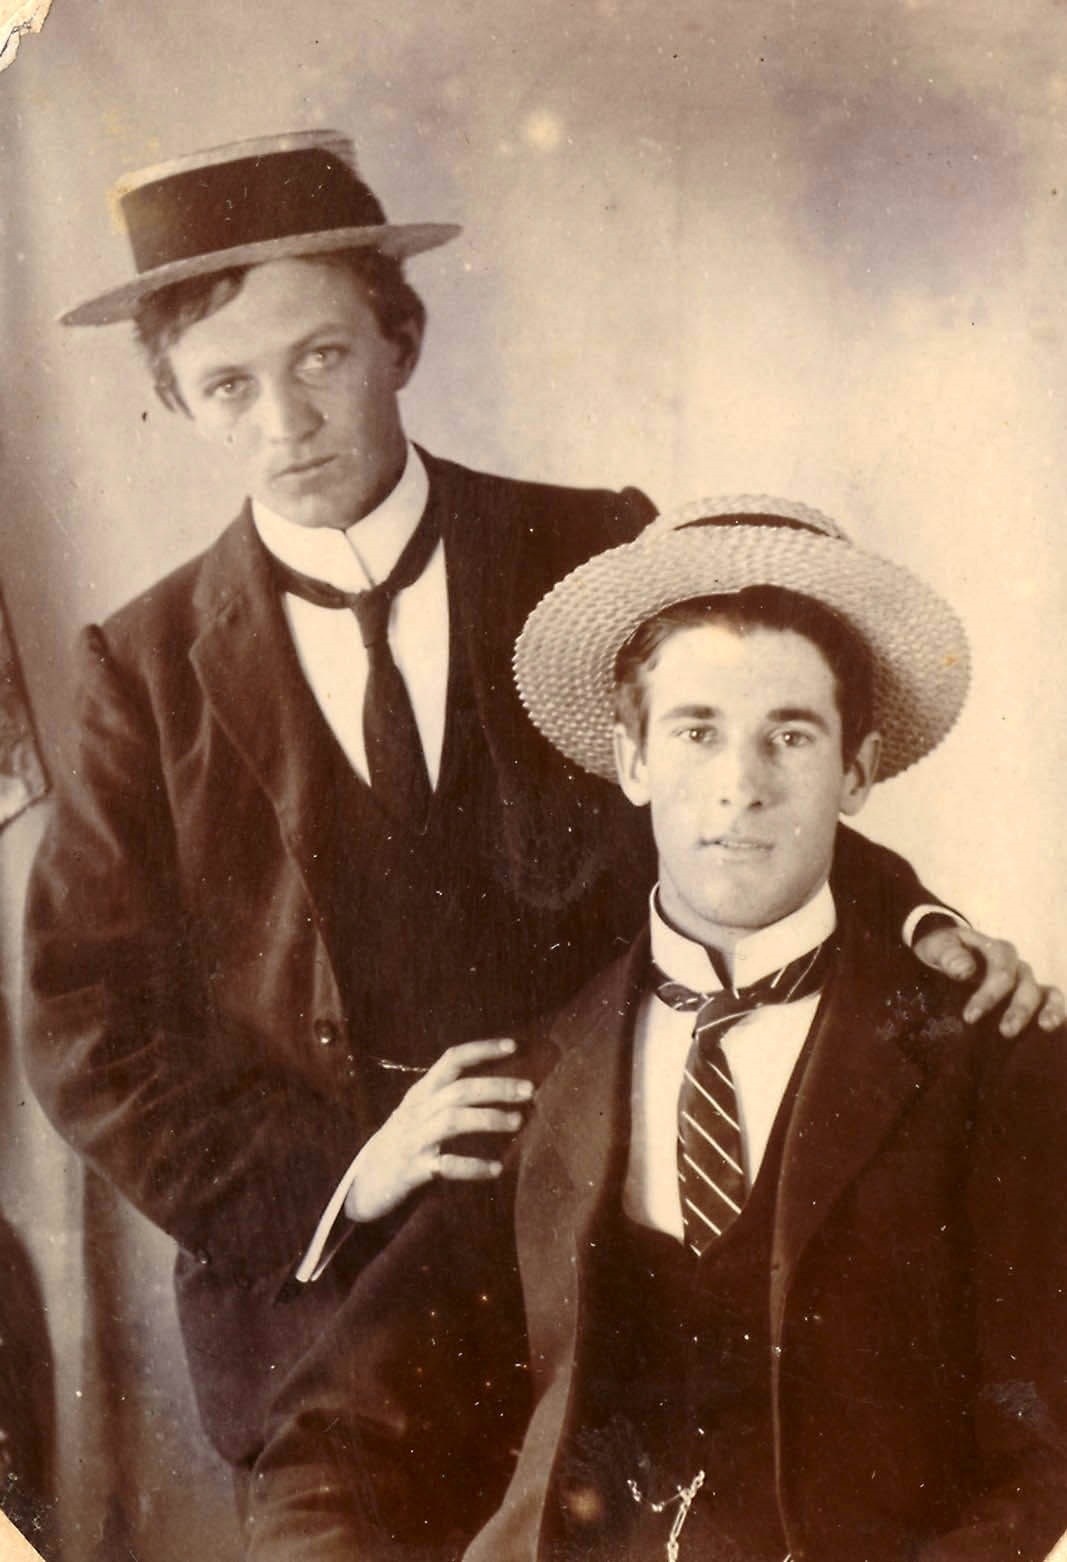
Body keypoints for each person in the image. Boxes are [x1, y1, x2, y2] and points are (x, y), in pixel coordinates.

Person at [21, 131, 1059, 1480]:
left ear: (397, 338)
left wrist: (913, 919)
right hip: (323, 1300)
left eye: (321, 357)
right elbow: (85, 1021)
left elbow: (731, 787)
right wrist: (344, 1175)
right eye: (227, 383)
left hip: (608, 1239)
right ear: (173, 399)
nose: (284, 423)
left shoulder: (582, 552)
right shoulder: (144, 664)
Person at [246, 496, 1067, 1562]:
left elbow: (1042, 1448)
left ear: (854, 771)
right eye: (694, 731)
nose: (739, 784)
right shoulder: (529, 1075)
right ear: (629, 760)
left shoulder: (987, 1056)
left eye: (789, 733)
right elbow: (332, 1436)